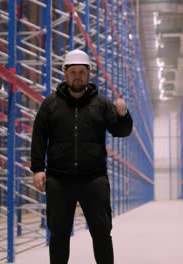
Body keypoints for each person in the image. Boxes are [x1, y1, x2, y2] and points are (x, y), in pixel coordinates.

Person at [30, 49, 133, 264]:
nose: (78, 76)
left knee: (102, 232)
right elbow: (39, 136)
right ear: (65, 74)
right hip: (59, 179)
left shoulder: (102, 104)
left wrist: (123, 115)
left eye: (82, 72)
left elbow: (121, 131)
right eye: (73, 71)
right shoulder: (50, 105)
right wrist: (38, 169)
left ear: (89, 74)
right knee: (58, 234)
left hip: (93, 178)